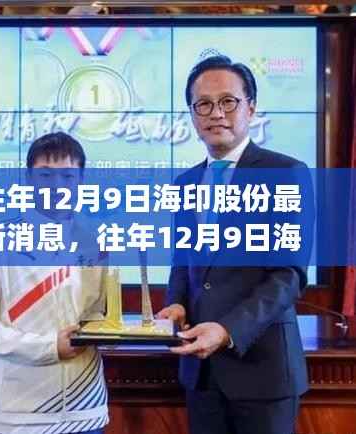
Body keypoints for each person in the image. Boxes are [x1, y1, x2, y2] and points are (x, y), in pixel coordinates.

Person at [157, 53, 309, 434]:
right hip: (202, 375)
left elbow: (288, 275)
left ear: (251, 108)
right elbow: (182, 265)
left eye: (228, 101)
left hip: (263, 372)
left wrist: (227, 330)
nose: (216, 114)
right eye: (203, 104)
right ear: (192, 115)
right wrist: (176, 303)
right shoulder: (185, 184)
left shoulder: (285, 173)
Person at [0, 132, 109, 434]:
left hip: (85, 408)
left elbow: (100, 314)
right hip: (15, 412)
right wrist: (48, 347)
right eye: (45, 175)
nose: (57, 186)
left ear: (82, 181)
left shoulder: (97, 241)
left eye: (68, 176)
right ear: (29, 179)